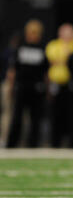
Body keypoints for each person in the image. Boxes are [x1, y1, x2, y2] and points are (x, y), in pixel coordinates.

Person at [6, 20, 48, 148]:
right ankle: (11, 143)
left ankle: (33, 144)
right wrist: (11, 86)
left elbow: (46, 72)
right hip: (22, 87)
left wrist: (47, 89)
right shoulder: (21, 48)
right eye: (31, 32)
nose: (33, 35)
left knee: (35, 118)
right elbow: (13, 70)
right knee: (17, 117)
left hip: (37, 88)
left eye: (35, 33)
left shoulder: (42, 49)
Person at [45, 23, 73, 147]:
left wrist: (65, 58)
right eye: (65, 32)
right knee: (56, 114)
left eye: (69, 32)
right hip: (56, 84)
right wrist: (65, 57)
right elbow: (53, 60)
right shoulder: (53, 45)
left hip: (70, 84)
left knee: (72, 115)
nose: (67, 35)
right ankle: (55, 142)